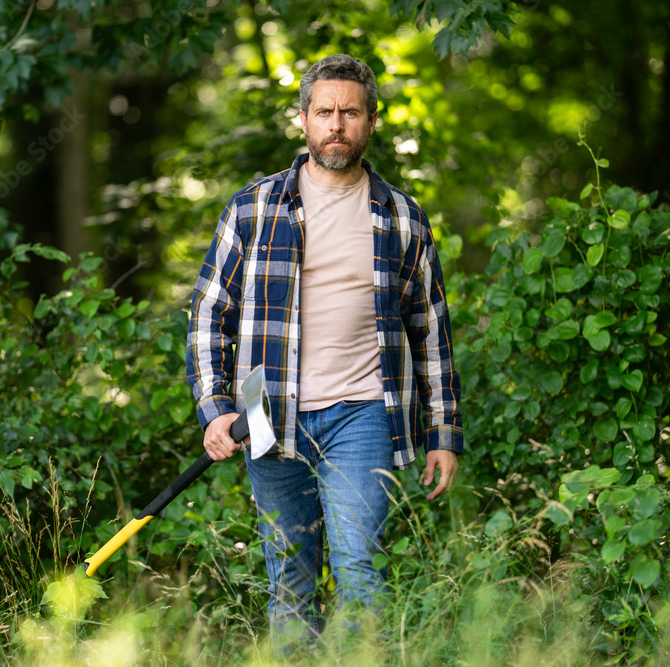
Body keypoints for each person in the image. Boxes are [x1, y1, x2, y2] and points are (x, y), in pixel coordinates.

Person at [185, 53, 462, 655]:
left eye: (351, 113)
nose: (337, 125)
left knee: (360, 568)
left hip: (364, 413)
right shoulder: (254, 208)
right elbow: (210, 313)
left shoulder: (403, 218)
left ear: (371, 122)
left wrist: (443, 433)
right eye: (325, 112)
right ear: (304, 119)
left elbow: (430, 330)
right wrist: (214, 408)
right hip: (266, 415)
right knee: (290, 576)